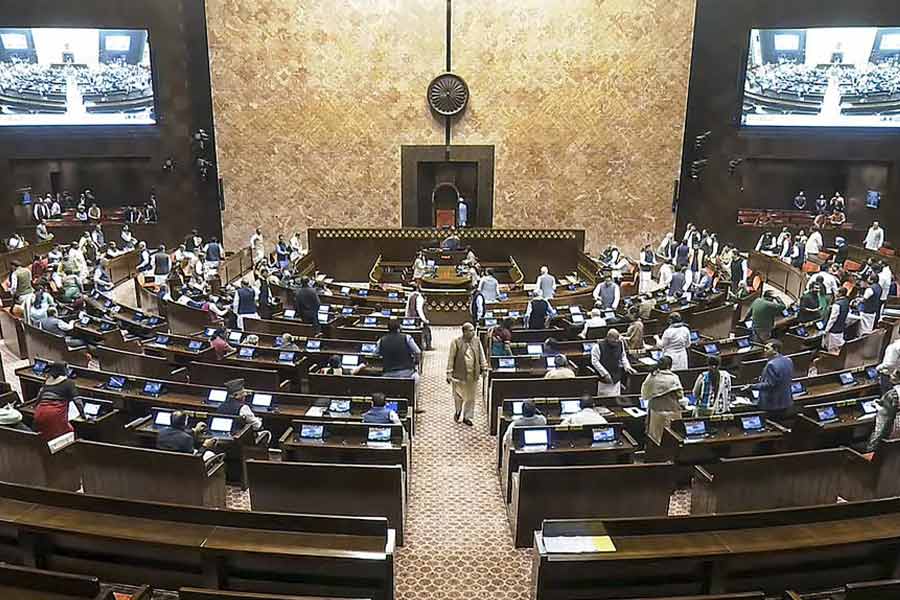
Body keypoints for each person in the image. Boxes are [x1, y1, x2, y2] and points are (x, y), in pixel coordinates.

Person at [33, 361, 86, 442]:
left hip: (39, 415)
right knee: (69, 433)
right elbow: (78, 401)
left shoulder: (46, 382)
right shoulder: (69, 383)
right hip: (55, 415)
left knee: (47, 437)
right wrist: (83, 416)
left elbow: (38, 400)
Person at [446, 322, 487, 426]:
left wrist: (484, 368)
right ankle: (458, 411)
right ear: (464, 332)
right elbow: (451, 358)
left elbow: (482, 356)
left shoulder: (477, 341)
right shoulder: (456, 342)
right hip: (459, 375)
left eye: (473, 330)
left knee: (471, 397)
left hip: (473, 374)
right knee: (458, 396)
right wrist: (449, 373)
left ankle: (467, 417)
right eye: (470, 330)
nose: (473, 332)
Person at [641, 356, 684, 445]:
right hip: (672, 410)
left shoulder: (651, 377)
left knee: (655, 438)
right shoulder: (674, 378)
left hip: (656, 410)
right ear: (669, 366)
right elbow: (680, 395)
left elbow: (645, 394)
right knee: (672, 438)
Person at [216, 378, 272, 445]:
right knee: (267, 433)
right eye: (243, 392)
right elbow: (257, 426)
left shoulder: (221, 405)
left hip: (223, 437)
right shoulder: (243, 408)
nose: (245, 394)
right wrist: (258, 420)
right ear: (236, 395)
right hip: (239, 441)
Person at [750, 340, 795, 419]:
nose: (764, 350)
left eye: (767, 348)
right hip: (786, 400)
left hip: (773, 403)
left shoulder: (771, 364)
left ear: (775, 350)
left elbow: (769, 385)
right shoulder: (788, 360)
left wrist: (752, 386)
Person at [591, 329, 636, 397]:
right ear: (608, 337)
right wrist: (605, 374)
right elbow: (595, 361)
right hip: (603, 381)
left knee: (616, 400)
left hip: (616, 377)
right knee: (604, 400)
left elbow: (623, 356)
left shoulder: (620, 343)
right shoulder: (598, 346)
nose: (616, 342)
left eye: (617, 339)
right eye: (614, 340)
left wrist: (627, 367)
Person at [865, 370, 900, 455]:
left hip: (894, 434)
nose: (891, 374)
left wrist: (871, 449)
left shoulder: (892, 394)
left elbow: (882, 424)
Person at [823, 287, 853, 353]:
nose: (835, 293)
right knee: (839, 348)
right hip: (841, 329)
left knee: (832, 350)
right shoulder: (846, 302)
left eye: (837, 292)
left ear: (840, 293)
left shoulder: (837, 305)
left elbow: (832, 319)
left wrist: (826, 330)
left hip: (834, 330)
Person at [405, 283, 432, 351]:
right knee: (427, 330)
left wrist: (406, 317)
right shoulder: (419, 297)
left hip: (410, 318)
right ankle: (428, 346)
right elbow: (419, 309)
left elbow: (407, 308)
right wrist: (424, 320)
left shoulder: (410, 295)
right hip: (417, 319)